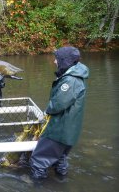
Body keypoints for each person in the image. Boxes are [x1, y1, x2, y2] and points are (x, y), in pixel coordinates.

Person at [29, 46, 89, 179]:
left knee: (38, 161)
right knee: (59, 161)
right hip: (69, 132)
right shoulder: (76, 76)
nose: (55, 62)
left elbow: (57, 105)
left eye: (57, 59)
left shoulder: (70, 80)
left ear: (65, 61)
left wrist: (46, 113)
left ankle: (37, 186)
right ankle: (61, 184)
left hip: (58, 131)